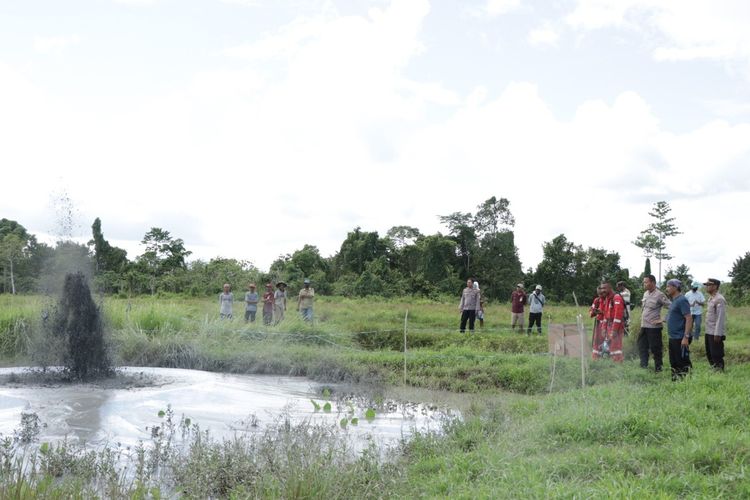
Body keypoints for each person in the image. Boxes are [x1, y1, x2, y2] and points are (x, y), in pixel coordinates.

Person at [638, 274, 671, 372]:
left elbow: (672, 307)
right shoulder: (645, 294)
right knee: (642, 346)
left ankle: (658, 368)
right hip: (644, 325)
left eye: (646, 282)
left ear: (652, 283)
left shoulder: (659, 294)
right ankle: (643, 365)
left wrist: (663, 319)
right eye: (644, 282)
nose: (644, 284)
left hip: (654, 327)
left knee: (655, 348)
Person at [665, 279, 693, 380]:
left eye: (668, 286)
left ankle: (686, 381)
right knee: (674, 361)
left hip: (680, 337)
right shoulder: (674, 300)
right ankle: (676, 380)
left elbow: (689, 318)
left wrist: (686, 337)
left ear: (675, 287)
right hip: (673, 336)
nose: (666, 289)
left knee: (682, 361)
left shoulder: (682, 300)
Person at [592, 282, 625, 362]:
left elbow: (618, 316)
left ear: (610, 288)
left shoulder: (616, 298)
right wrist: (604, 328)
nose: (602, 290)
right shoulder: (607, 299)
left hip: (616, 326)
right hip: (608, 325)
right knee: (609, 345)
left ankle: (618, 365)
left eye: (604, 288)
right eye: (601, 288)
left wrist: (614, 330)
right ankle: (609, 362)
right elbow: (606, 315)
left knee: (615, 347)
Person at [703, 278, 727, 371]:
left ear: (715, 286)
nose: (707, 287)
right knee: (709, 353)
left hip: (715, 332)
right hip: (708, 330)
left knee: (716, 353)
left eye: (709, 285)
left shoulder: (719, 299)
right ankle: (714, 369)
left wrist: (718, 334)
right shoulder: (710, 299)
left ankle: (719, 371)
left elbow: (720, 318)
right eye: (706, 285)